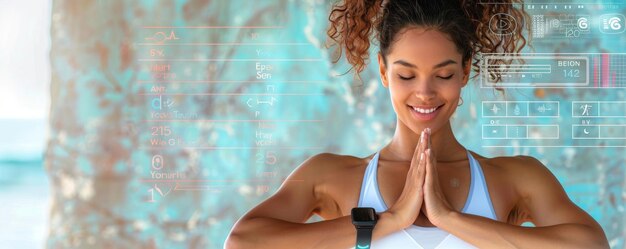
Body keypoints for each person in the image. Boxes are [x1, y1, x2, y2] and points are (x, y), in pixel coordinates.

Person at [225, 0, 610, 248]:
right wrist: (386, 221)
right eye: (407, 76)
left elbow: (591, 245)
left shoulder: (515, 178)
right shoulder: (332, 176)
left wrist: (451, 219)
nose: (424, 93)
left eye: (442, 75)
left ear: (465, 70)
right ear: (383, 71)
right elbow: (242, 242)